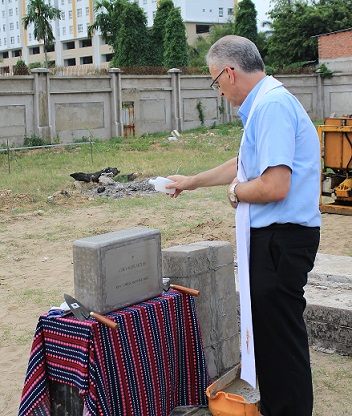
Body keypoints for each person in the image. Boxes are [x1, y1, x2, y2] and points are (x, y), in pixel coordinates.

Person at [165, 35, 321, 416]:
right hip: (275, 240)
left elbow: (272, 185)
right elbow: (244, 165)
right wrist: (192, 181)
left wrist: (236, 194)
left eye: (214, 81)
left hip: (280, 240)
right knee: (271, 337)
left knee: (280, 341)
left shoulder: (271, 106)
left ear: (229, 73)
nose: (218, 91)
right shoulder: (266, 105)